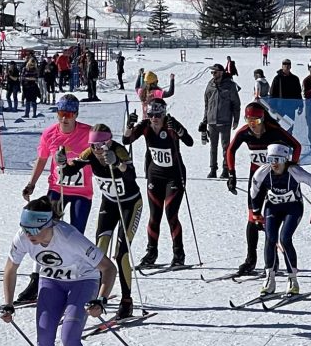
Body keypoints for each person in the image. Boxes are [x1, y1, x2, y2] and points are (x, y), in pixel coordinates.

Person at [0, 197, 114, 346]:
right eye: (25, 228)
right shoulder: (23, 237)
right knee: (44, 339)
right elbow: (10, 269)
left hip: (82, 282)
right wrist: (8, 303)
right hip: (51, 283)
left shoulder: (69, 237)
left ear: (49, 224)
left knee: (69, 338)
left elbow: (108, 268)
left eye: (34, 229)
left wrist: (101, 300)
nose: (29, 235)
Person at [16, 94, 94, 303]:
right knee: (42, 231)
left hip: (81, 193)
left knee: (75, 236)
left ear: (76, 114)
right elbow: (41, 160)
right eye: (60, 114)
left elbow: (99, 154)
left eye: (68, 114)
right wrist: (31, 184)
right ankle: (36, 281)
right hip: (56, 189)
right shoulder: (50, 134)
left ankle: (78, 281)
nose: (64, 119)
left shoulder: (87, 133)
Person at [60, 124, 142, 318]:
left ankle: (127, 300)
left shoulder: (118, 150)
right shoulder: (90, 153)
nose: (97, 150)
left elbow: (131, 176)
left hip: (130, 205)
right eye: (93, 145)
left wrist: (118, 164)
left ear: (109, 142)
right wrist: (62, 162)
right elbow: (71, 170)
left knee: (121, 254)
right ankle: (93, 294)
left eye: (101, 145)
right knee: (99, 251)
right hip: (110, 204)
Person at [226, 102, 302, 275]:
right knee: (253, 217)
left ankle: (272, 261)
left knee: (270, 219)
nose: (253, 126)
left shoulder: (274, 131)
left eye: (257, 122)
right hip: (256, 178)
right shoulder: (244, 132)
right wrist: (232, 174)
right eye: (249, 121)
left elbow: (296, 146)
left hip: (275, 179)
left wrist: (291, 167)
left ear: (263, 119)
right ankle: (250, 260)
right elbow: (230, 150)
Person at [123, 98, 193, 268]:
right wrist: (129, 126)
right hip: (154, 176)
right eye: (151, 114)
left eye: (158, 114)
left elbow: (189, 142)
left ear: (164, 113)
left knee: (171, 214)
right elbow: (126, 141)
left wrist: (180, 131)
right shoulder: (145, 125)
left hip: (174, 177)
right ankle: (151, 252)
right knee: (154, 216)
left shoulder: (170, 124)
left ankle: (178, 254)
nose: (154, 118)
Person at [249, 143, 311, 295]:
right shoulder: (263, 172)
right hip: (272, 207)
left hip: (293, 207)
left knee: (285, 239)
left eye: (278, 159)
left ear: (285, 160)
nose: (274, 163)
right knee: (270, 239)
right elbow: (254, 190)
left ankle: (292, 279)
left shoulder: (294, 171)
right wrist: (256, 212)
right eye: (271, 159)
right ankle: (270, 278)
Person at [199, 63, 241, 178]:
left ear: (221, 72)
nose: (213, 74)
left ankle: (225, 169)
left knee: (225, 147)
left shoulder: (230, 86)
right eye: (212, 72)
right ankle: (213, 169)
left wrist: (236, 119)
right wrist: (204, 120)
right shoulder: (210, 85)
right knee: (213, 147)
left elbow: (236, 104)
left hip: (225, 121)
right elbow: (207, 104)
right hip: (212, 122)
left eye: (215, 72)